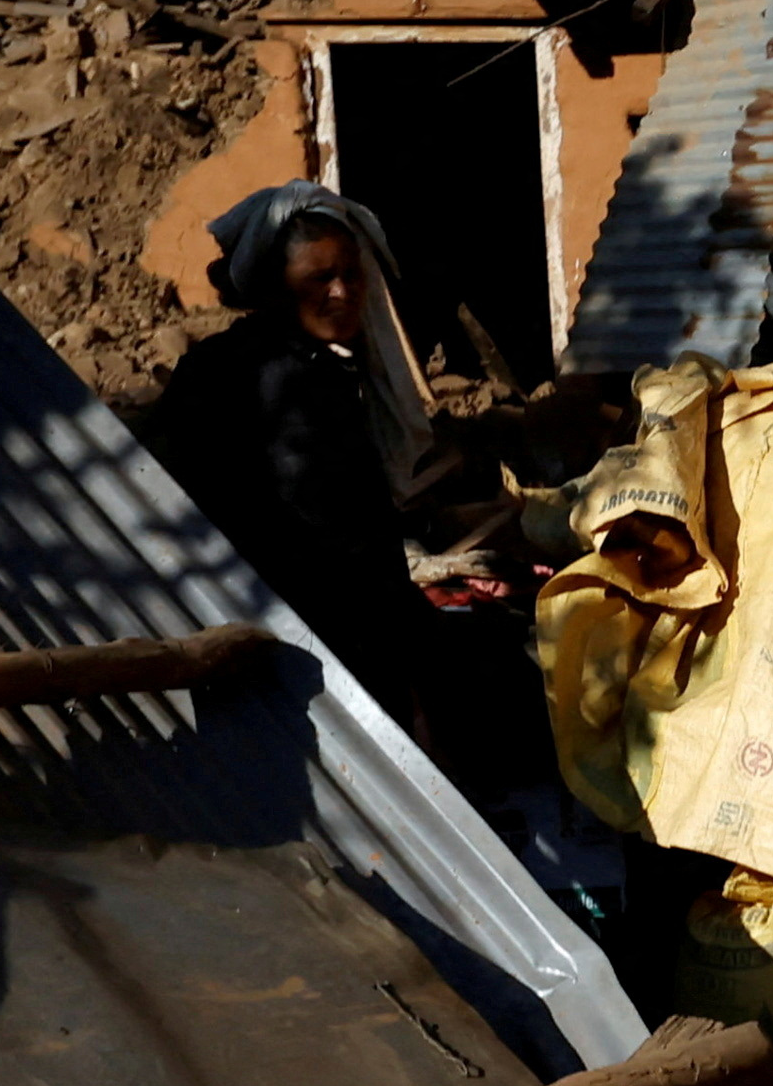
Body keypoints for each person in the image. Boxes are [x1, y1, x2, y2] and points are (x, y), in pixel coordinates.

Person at [142, 185, 537, 790]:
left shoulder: (255, 363)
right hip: (305, 631)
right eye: (319, 277)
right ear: (276, 285)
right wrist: (410, 659)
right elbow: (333, 536)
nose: (342, 292)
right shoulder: (290, 381)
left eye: (352, 275)